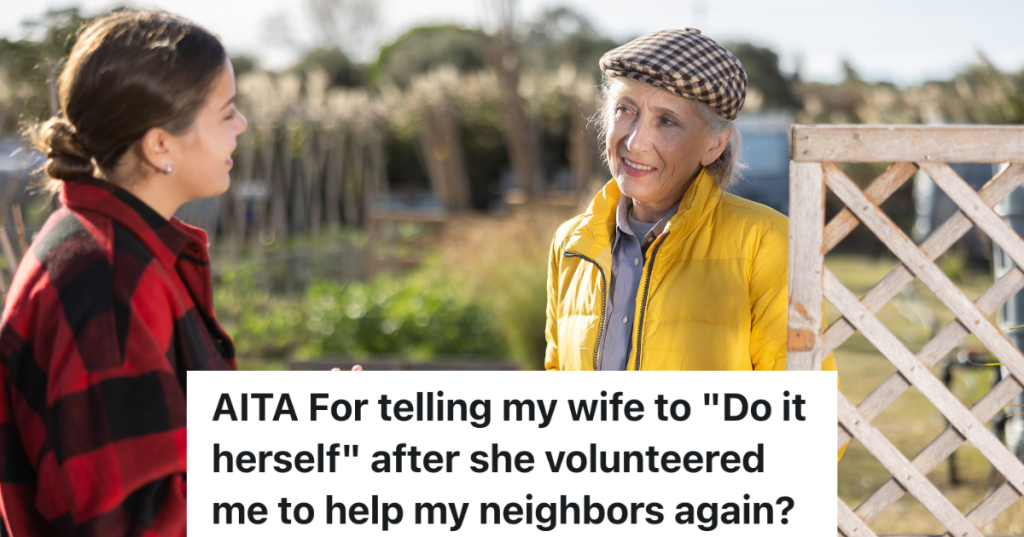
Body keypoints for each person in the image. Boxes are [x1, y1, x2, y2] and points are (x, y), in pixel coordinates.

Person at [0, 10, 245, 536]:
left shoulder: (107, 247)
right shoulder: (110, 283)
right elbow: (133, 523)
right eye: (226, 113)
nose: (242, 125)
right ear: (160, 146)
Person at [545, 28, 839, 374]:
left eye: (666, 121)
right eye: (625, 109)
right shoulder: (570, 243)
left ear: (714, 144)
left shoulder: (767, 243)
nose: (635, 142)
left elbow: (798, 399)